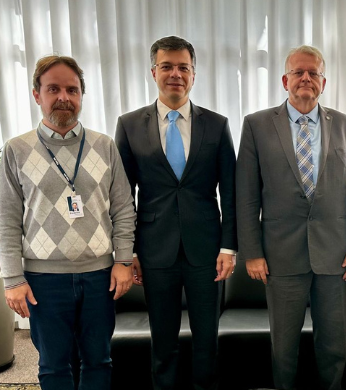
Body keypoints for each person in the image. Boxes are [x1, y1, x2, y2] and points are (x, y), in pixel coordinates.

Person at [0, 55, 136, 390]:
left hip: (99, 276)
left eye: (72, 89)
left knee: (99, 361)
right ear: (37, 95)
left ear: (81, 96)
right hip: (43, 281)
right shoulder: (17, 150)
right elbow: (6, 219)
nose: (64, 97)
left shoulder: (104, 146)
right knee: (54, 366)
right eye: (53, 88)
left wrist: (123, 261)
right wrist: (12, 279)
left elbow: (123, 209)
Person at [236, 45, 346, 390]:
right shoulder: (256, 125)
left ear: (323, 82)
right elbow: (247, 195)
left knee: (334, 344)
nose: (306, 78)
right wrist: (252, 252)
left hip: (335, 256)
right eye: (299, 72)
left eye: (314, 73)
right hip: (280, 256)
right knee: (284, 347)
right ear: (285, 79)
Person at [115, 35, 236, 390]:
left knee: (206, 340)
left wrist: (229, 247)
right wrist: (130, 251)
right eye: (167, 66)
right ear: (153, 72)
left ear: (194, 75)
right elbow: (123, 197)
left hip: (206, 250)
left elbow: (229, 190)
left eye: (183, 67)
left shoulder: (217, 124)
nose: (175, 74)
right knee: (163, 341)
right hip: (154, 250)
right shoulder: (129, 124)